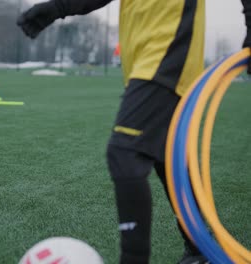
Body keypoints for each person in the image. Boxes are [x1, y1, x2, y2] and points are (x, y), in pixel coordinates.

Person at [17, 0, 251, 263]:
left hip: (170, 49)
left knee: (124, 151)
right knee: (167, 159)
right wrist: (57, 8)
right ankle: (199, 252)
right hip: (141, 58)